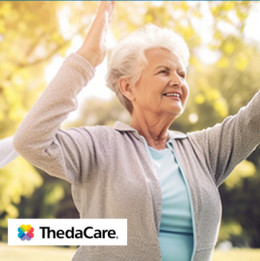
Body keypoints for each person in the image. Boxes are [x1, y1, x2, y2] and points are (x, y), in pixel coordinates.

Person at [13, 1, 260, 261]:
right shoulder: (99, 146)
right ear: (129, 88)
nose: (177, 80)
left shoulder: (203, 151)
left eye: (182, 74)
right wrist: (87, 58)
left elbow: (254, 121)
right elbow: (30, 140)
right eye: (163, 71)